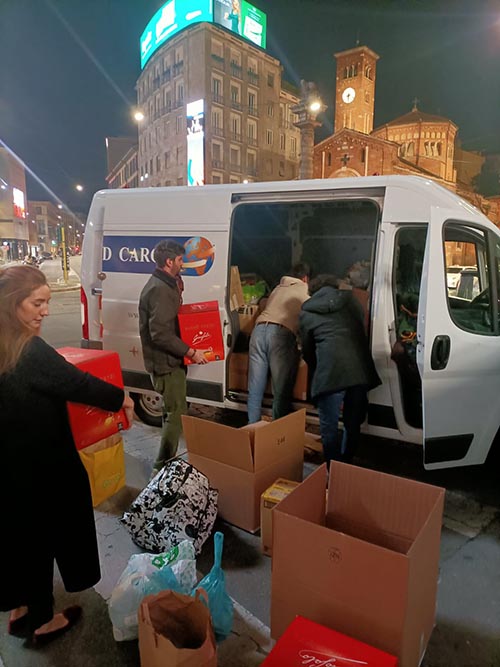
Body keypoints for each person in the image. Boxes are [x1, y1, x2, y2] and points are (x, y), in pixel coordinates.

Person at [0, 265, 134, 647]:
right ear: (13, 304)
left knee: (17, 539)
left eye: (46, 302)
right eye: (36, 303)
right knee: (42, 542)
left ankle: (20, 608)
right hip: (42, 467)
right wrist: (121, 398)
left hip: (8, 469)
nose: (45, 311)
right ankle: (42, 621)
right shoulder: (29, 349)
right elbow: (77, 383)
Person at [139, 240, 207, 474]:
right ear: (169, 262)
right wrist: (191, 351)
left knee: (173, 412)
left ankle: (165, 465)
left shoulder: (166, 284)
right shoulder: (160, 289)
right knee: (175, 415)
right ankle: (162, 468)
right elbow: (160, 333)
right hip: (165, 364)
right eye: (179, 260)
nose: (183, 263)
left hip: (169, 361)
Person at [299, 274, 381, 466]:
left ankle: (333, 469)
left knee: (329, 427)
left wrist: (319, 366)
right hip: (358, 369)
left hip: (330, 373)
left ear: (312, 292)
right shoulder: (351, 301)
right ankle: (346, 463)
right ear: (335, 286)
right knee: (353, 424)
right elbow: (360, 327)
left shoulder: (307, 312)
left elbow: (308, 350)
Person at [247, 263, 310, 423]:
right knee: (280, 390)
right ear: (305, 278)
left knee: (255, 388)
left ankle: (251, 428)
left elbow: (263, 303)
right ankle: (277, 431)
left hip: (258, 332)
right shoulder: (303, 292)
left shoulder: (278, 288)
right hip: (280, 334)